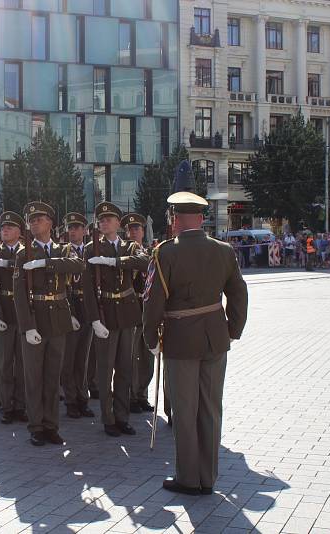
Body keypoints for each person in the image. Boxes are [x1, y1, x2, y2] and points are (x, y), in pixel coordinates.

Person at [142, 168, 248, 496]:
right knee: (211, 409)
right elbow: (240, 292)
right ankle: (209, 476)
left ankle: (190, 478)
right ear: (201, 218)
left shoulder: (165, 252)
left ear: (175, 218)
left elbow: (152, 302)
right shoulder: (224, 250)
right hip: (215, 338)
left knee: (185, 412)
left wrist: (150, 340)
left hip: (180, 341)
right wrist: (232, 329)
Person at [13, 201, 83, 446]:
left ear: (50, 223)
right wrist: (27, 326)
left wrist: (46, 263)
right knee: (34, 377)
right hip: (36, 319)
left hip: (58, 321)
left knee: (54, 377)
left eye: (39, 219)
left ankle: (52, 425)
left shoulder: (63, 250)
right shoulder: (24, 253)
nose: (34, 223)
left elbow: (78, 265)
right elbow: (19, 294)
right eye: (31, 220)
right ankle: (36, 426)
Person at [83, 202, 149, 438]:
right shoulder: (91, 249)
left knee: (125, 368)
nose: (104, 222)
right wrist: (93, 320)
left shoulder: (130, 246)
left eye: (109, 219)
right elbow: (88, 288)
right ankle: (108, 418)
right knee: (105, 369)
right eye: (101, 220)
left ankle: (122, 417)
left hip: (128, 313)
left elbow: (146, 263)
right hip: (105, 314)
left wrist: (116, 262)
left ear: (118, 224)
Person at [0, 212, 28, 425]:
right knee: (4, 364)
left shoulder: (27, 252)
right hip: (2, 312)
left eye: (10, 226)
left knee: (23, 364)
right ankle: (6, 406)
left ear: (19, 231)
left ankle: (21, 405)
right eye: (3, 227)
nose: (5, 229)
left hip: (22, 314)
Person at [60, 213, 94, 419]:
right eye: (70, 228)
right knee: (69, 359)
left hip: (87, 308)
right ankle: (71, 400)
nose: (73, 231)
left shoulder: (91, 251)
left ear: (85, 230)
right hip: (70, 305)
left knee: (83, 359)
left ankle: (83, 398)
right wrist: (69, 312)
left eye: (77, 227)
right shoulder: (62, 251)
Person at [122, 213, 156, 415]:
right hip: (132, 309)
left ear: (143, 231)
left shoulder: (152, 251)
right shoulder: (126, 252)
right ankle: (131, 396)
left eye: (137, 229)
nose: (134, 232)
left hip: (148, 309)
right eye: (130, 229)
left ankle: (142, 394)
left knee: (147, 356)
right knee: (132, 357)